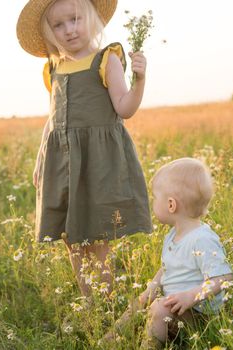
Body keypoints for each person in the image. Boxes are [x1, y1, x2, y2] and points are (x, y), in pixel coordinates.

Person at [16, 0, 152, 297]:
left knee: (96, 234)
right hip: (62, 160)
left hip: (96, 161)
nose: (69, 30)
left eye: (75, 19)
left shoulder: (106, 59)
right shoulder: (54, 66)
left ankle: (104, 300)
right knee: (70, 235)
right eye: (59, 25)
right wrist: (41, 156)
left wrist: (139, 81)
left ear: (90, 17)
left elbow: (124, 108)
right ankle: (88, 297)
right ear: (49, 31)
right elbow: (53, 116)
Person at [103, 158, 233, 349]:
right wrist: (151, 288)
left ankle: (149, 345)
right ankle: (111, 337)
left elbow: (224, 278)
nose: (153, 203)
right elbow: (168, 268)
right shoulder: (174, 234)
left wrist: (191, 296)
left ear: (171, 205)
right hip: (177, 307)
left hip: (199, 315)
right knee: (142, 300)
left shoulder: (201, 239)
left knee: (159, 308)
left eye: (155, 198)